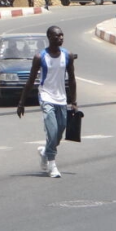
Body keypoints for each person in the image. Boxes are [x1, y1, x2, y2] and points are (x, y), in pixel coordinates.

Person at [17, 26, 77, 178]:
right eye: (57, 36)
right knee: (52, 130)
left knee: (60, 132)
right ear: (49, 37)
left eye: (62, 35)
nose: (61, 38)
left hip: (61, 99)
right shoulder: (40, 57)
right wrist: (21, 102)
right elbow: (31, 80)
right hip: (46, 97)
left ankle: (45, 152)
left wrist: (74, 101)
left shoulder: (67, 55)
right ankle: (52, 165)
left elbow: (72, 79)